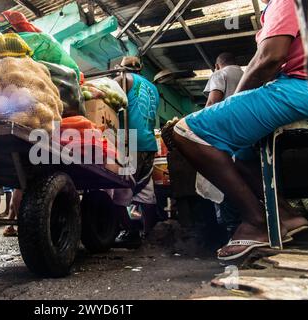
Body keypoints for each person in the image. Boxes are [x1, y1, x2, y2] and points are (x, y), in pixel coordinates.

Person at [167, 0, 308, 261]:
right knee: (242, 150)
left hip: (299, 87)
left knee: (186, 131)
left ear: (217, 66)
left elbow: (270, 56)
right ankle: (285, 214)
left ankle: (256, 222)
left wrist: (235, 100)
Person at [110, 56, 161, 248]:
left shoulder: (124, 80)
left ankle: (130, 231)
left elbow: (108, 97)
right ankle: (150, 234)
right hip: (148, 143)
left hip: (130, 141)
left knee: (119, 190)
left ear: (122, 69)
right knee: (146, 191)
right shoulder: (153, 88)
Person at [202, 52, 244, 238]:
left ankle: (232, 231)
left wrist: (197, 123)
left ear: (217, 65)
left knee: (225, 179)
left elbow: (213, 102)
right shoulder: (246, 73)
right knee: (245, 176)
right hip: (249, 131)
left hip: (226, 133)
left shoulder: (219, 74)